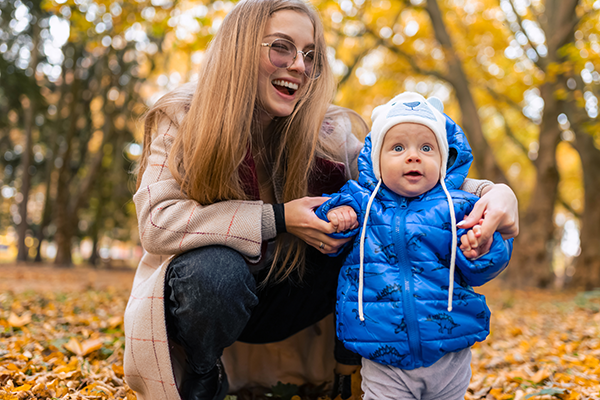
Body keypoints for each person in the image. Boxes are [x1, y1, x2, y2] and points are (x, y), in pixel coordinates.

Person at [123, 0, 520, 399]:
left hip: (293, 297)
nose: (299, 64)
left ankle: (346, 373)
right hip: (212, 299)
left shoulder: (325, 128)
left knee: (366, 233)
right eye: (281, 47)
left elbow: (396, 181)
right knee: (214, 270)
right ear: (240, 49)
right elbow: (158, 222)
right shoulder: (184, 117)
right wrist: (278, 218)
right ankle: (203, 372)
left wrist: (493, 193)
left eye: (310, 55)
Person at [315, 92, 514, 400]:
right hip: (382, 348)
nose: (413, 156)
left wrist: (481, 248)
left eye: (426, 147)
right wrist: (337, 214)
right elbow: (325, 229)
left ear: (444, 158)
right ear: (375, 161)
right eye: (397, 147)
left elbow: (485, 265)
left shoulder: (458, 207)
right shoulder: (362, 202)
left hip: (448, 346)